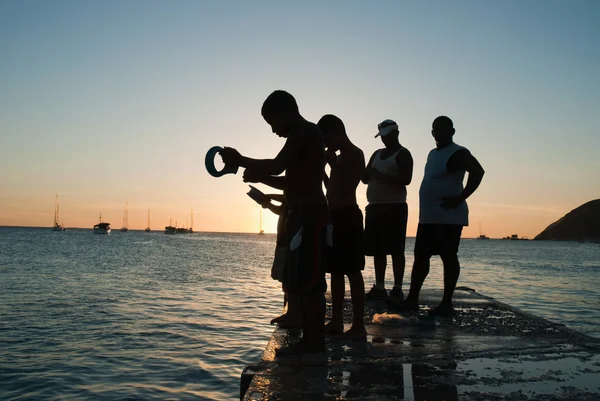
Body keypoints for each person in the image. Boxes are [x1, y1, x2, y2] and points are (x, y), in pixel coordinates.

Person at [220, 90, 330, 365]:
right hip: (300, 213)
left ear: (285, 113)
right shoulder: (302, 135)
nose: (272, 130)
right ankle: (308, 341)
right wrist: (261, 176)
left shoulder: (305, 131)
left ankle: (315, 346)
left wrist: (241, 159)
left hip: (310, 216)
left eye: (272, 122)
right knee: (301, 280)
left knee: (310, 282)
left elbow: (278, 166)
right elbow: (289, 182)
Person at [403, 116, 485, 316]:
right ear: (432, 133)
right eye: (435, 130)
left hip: (448, 217)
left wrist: (461, 197)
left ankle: (447, 303)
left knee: (448, 257)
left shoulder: (459, 152)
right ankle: (412, 299)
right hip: (428, 217)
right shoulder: (432, 153)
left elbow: (478, 171)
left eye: (442, 129)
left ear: (452, 131)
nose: (438, 133)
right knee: (421, 257)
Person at [317, 114, 367, 341]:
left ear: (338, 133)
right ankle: (336, 320)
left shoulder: (355, 154)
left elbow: (347, 186)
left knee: (353, 271)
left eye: (327, 140)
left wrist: (330, 163)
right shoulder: (338, 158)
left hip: (348, 216)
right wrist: (325, 174)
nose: (326, 146)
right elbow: (333, 188)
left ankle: (358, 324)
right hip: (334, 216)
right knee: (335, 271)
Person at [362, 119, 413, 304]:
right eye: (381, 137)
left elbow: (406, 179)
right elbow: (365, 178)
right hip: (375, 206)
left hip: (395, 206)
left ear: (395, 134)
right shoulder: (376, 154)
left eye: (386, 136)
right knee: (378, 250)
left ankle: (397, 288)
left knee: (396, 249)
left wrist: (381, 175)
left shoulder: (403, 154)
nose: (383, 140)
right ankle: (380, 286)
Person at [259, 193, 302, 329]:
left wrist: (266, 196)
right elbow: (281, 210)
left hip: (289, 240)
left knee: (290, 278)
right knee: (285, 279)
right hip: (283, 240)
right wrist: (269, 205)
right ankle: (289, 312)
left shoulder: (295, 192)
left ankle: (293, 314)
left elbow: (288, 197)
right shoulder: (288, 201)